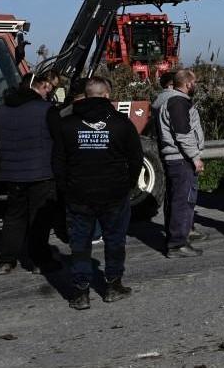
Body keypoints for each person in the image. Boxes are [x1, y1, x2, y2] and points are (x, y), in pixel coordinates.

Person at [52, 77, 143, 310]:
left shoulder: (67, 124)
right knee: (115, 239)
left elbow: (58, 161)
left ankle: (81, 292)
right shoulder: (121, 122)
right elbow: (136, 158)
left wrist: (66, 188)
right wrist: (128, 184)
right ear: (106, 95)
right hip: (114, 192)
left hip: (78, 193)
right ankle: (113, 285)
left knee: (80, 242)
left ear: (86, 94)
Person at [0, 70, 61, 275]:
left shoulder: (2, 109)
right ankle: (40, 260)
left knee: (13, 217)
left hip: (12, 173)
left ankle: (5, 260)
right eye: (48, 88)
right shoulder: (46, 109)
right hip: (40, 172)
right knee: (38, 219)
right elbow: (58, 138)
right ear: (42, 86)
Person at [155, 69, 206, 258]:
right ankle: (177, 243)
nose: (196, 86)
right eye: (195, 82)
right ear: (187, 84)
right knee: (183, 200)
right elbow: (183, 134)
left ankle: (176, 237)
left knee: (176, 199)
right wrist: (195, 157)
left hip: (173, 157)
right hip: (181, 158)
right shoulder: (178, 102)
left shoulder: (166, 99)